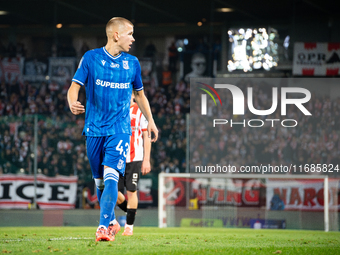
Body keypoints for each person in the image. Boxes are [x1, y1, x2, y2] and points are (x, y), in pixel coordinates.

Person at [67, 17, 158, 242]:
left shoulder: (132, 63)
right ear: (116, 35)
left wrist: (151, 121)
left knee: (110, 177)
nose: (133, 38)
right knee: (99, 182)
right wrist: (72, 101)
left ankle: (102, 227)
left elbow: (140, 95)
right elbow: (74, 87)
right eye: (130, 34)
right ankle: (112, 221)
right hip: (94, 129)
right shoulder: (90, 58)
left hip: (119, 129)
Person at [116, 93, 151, 236]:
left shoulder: (140, 110)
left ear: (134, 96)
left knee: (131, 191)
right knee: (114, 192)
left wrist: (146, 159)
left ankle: (129, 227)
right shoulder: (116, 109)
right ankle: (131, 211)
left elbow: (146, 136)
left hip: (135, 157)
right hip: (117, 157)